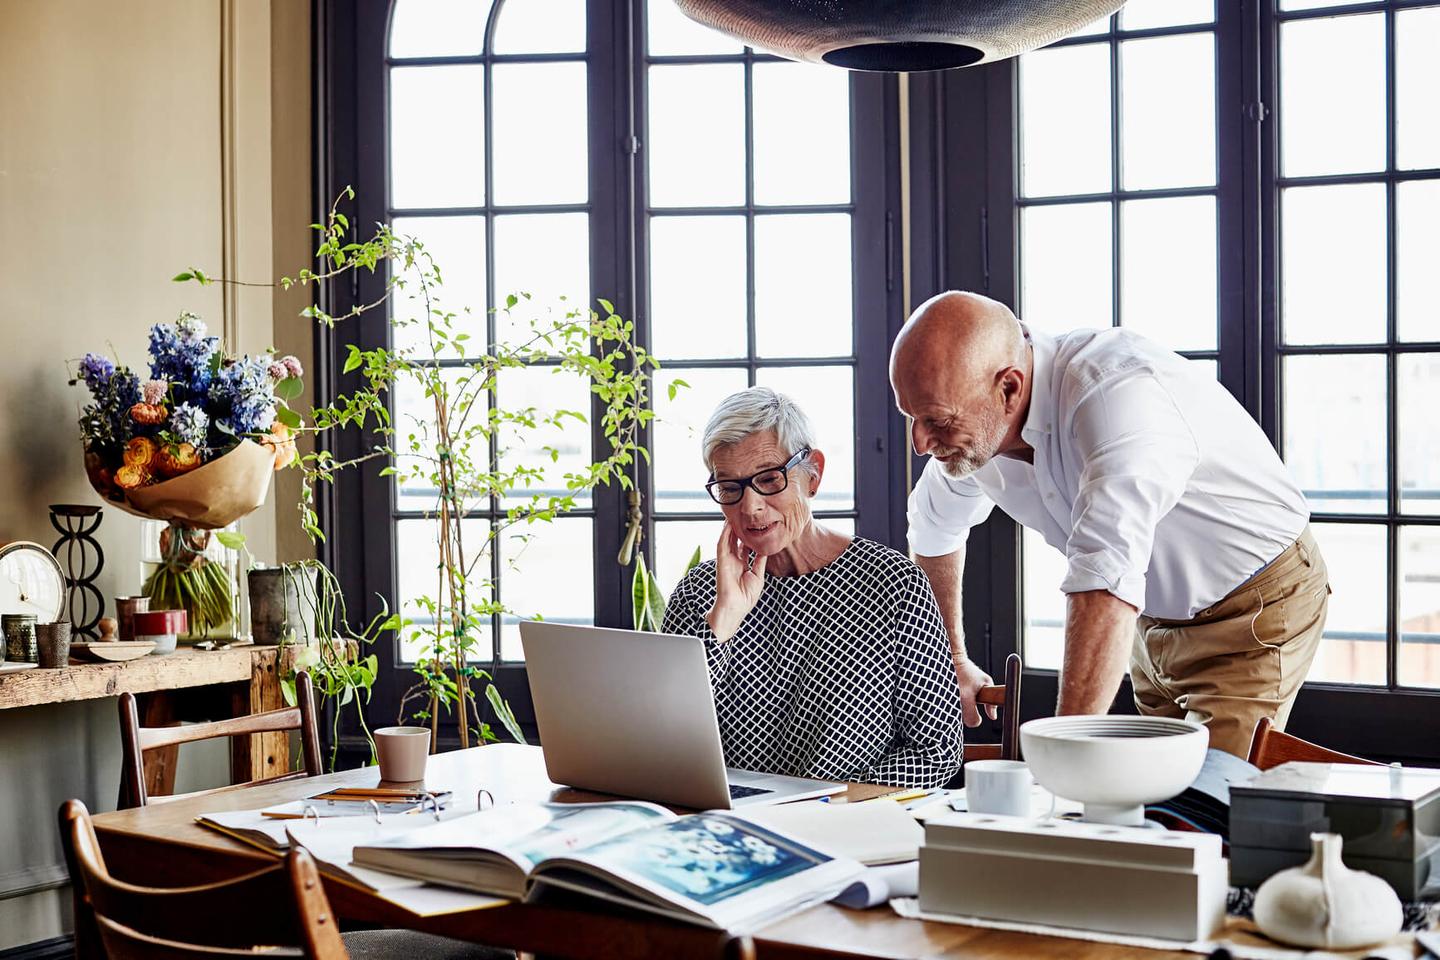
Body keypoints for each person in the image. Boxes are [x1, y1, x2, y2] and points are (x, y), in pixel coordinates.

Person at [890, 291, 1329, 758]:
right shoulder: (973, 428)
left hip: (1254, 606)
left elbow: (1104, 579)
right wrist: (953, 657)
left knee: (1203, 802)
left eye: (935, 420)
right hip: (1152, 621)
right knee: (1151, 798)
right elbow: (934, 528)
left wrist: (1063, 759)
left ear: (1010, 389)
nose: (920, 443)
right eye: (911, 418)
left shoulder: (1116, 396)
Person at [661, 386, 964, 788]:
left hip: (843, 824)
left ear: (813, 474)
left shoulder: (892, 583)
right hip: (730, 825)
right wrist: (721, 622)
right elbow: (666, 740)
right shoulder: (701, 592)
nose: (749, 508)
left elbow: (936, 751)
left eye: (769, 479)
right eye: (730, 488)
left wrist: (826, 801)